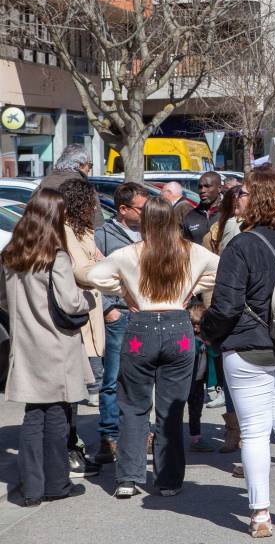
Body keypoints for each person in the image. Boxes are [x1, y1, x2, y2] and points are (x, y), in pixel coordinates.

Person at [200, 169, 275, 536]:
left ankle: (260, 515)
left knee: (254, 432)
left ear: (258, 199)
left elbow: (226, 306)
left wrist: (208, 333)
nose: (240, 197)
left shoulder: (241, 245)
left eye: (245, 192)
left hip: (249, 346)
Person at [82, 195, 220, 498]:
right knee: (171, 409)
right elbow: (221, 269)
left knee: (132, 406)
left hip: (140, 328)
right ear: (173, 221)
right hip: (178, 328)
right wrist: (193, 288)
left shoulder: (129, 253)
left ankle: (127, 479)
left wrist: (125, 291)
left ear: (144, 222)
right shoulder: (191, 251)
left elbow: (94, 275)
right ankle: (168, 480)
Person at [1, 189, 95, 506]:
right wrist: (90, 298)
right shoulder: (56, 256)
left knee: (33, 415)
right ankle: (57, 484)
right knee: (57, 415)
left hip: (25, 344)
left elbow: (3, 299)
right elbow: (70, 302)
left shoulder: (11, 255)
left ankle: (32, 488)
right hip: (56, 344)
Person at [91, 182, 149, 465]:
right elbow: (93, 275)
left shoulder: (149, 233)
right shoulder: (102, 235)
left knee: (143, 378)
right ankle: (109, 436)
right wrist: (108, 309)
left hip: (146, 316)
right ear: (123, 210)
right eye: (141, 208)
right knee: (112, 379)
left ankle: (140, 433)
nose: (146, 213)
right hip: (119, 317)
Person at [59, 179, 105, 472]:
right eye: (92, 202)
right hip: (75, 318)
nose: (96, 208)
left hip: (88, 314)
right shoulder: (65, 231)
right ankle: (68, 448)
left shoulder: (83, 230)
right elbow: (82, 270)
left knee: (79, 388)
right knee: (72, 389)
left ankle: (71, 445)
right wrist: (110, 269)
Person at [38, 144, 103, 229]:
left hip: (44, 234)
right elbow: (97, 223)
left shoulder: (44, 182)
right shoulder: (83, 187)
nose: (89, 169)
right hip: (75, 235)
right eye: (90, 165)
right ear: (80, 165)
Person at [181, 172, 223, 245]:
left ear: (219, 189)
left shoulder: (229, 212)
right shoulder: (190, 217)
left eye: (207, 186)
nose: (202, 190)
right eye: (200, 187)